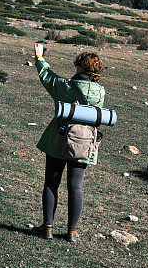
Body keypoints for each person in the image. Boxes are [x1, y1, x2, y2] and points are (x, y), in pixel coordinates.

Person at [32, 43, 105, 242]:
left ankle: (47, 228)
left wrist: (39, 57)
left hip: (59, 140)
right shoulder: (100, 92)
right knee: (76, 187)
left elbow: (47, 77)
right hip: (85, 144)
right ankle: (72, 231)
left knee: (51, 183)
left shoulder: (65, 86)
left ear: (80, 67)